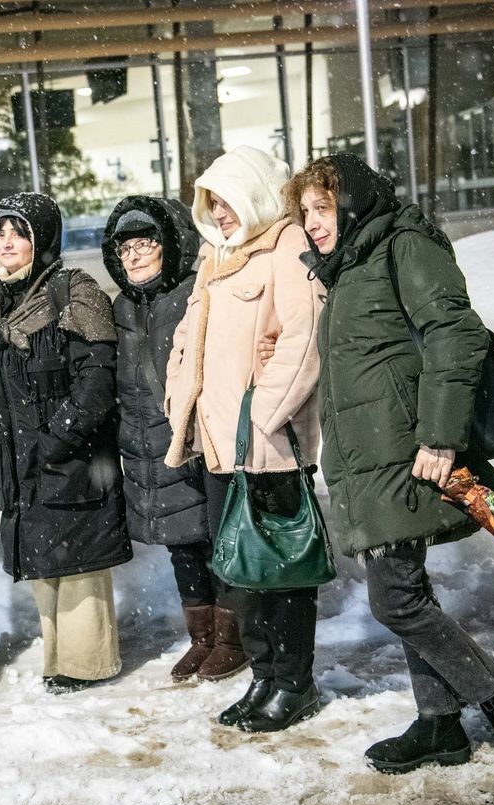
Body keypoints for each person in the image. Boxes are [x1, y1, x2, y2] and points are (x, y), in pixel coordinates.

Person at [284, 153, 494, 772]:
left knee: (395, 600)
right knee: (408, 592)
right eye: (305, 212)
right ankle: (439, 723)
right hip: (372, 456)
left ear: (352, 203)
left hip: (407, 451)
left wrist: (439, 437)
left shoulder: (402, 245)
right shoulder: (349, 266)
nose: (312, 223)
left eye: (323, 207)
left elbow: (456, 334)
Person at [164, 146, 326, 731]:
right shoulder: (214, 256)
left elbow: (304, 339)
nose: (218, 212)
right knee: (240, 571)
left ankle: (295, 683)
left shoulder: (287, 246)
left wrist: (266, 416)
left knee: (282, 574)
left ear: (255, 193)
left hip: (269, 449)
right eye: (211, 202)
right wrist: (179, 397)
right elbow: (187, 337)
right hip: (218, 446)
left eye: (226, 199)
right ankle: (263, 676)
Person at [0, 192, 131, 694]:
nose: (6, 243)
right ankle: (59, 657)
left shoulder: (74, 292)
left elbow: (96, 380)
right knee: (46, 566)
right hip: (21, 462)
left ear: (41, 240)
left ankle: (87, 662)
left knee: (80, 567)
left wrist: (58, 437)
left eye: (18, 233)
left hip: (72, 458)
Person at [101, 196, 241, 683]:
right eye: (125, 248)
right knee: (180, 544)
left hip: (194, 439)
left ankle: (232, 640)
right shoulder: (121, 307)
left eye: (145, 243)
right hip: (145, 444)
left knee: (214, 539)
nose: (134, 256)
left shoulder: (192, 293)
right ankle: (202, 639)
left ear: (169, 244)